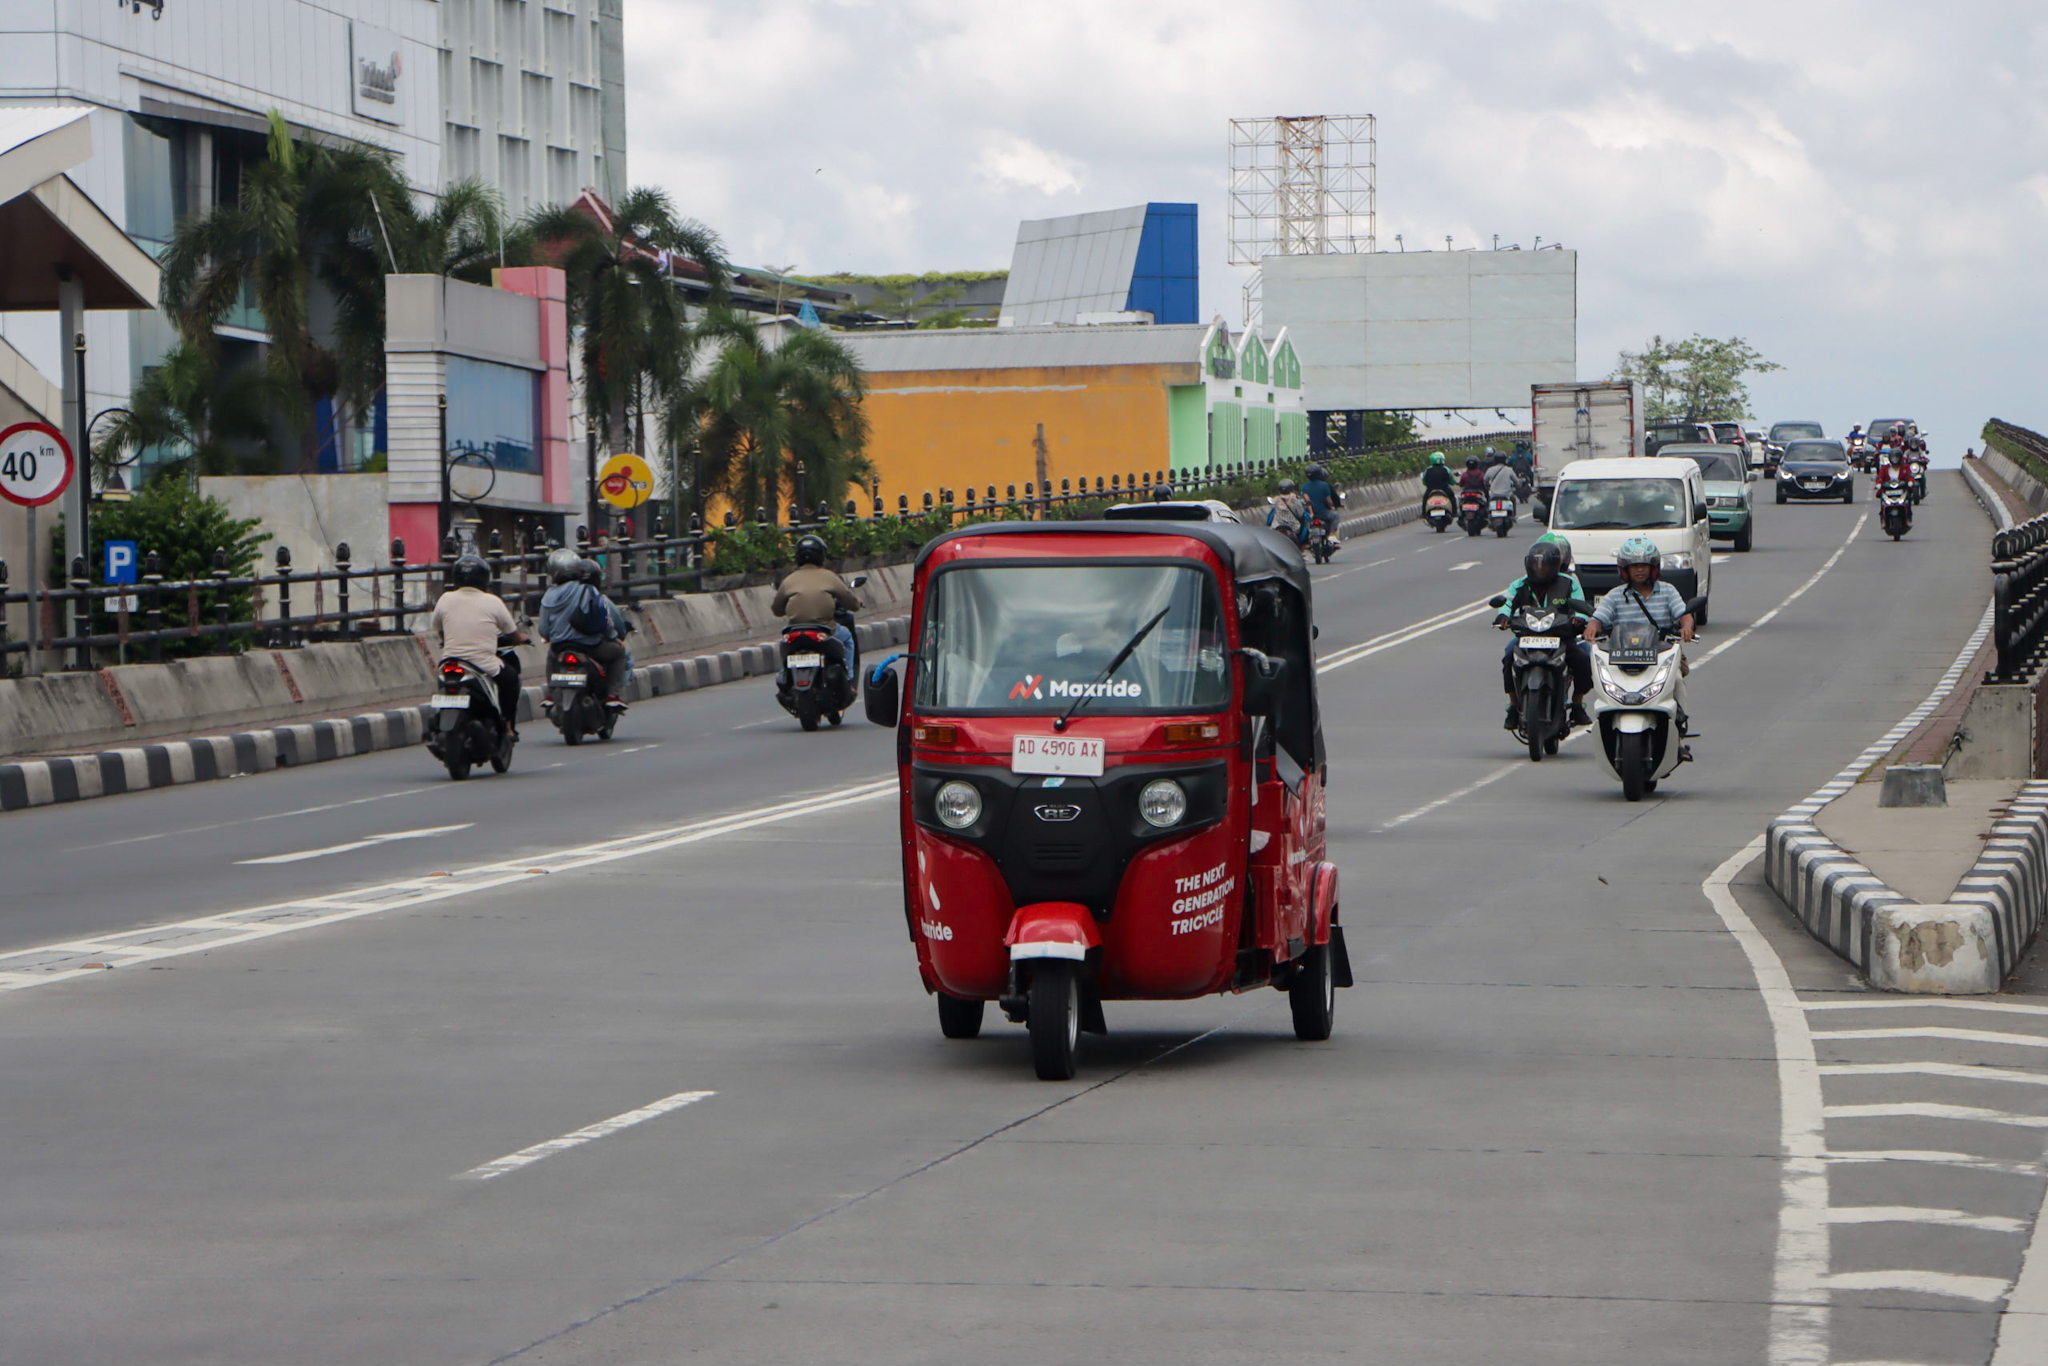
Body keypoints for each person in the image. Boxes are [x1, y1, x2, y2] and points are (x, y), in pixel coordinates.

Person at [1583, 536, 1696, 755]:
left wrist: (1686, 628)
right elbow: (1599, 617)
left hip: (1662, 655)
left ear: (1654, 568)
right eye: (1635, 566)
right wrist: (1592, 628)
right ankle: (1604, 724)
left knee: (1678, 683)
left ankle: (1678, 735)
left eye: (1644, 565)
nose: (1640, 570)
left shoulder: (1668, 591)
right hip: (1621, 657)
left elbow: (1684, 614)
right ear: (1625, 570)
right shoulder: (1615, 596)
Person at [1496, 540, 1593, 731]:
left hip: (1561, 638)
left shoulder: (1569, 582)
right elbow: (1507, 602)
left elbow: (1579, 603)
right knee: (1508, 656)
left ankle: (1577, 703)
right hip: (1527, 638)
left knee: (1584, 657)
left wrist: (1579, 619)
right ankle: (1513, 705)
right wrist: (1503, 616)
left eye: (1545, 566)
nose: (1539, 570)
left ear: (1555, 565)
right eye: (1535, 565)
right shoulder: (1519, 584)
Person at [431, 553, 528, 733]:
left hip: (450, 662)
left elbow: (438, 627)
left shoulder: (445, 599)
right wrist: (521, 638)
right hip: (483, 664)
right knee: (511, 679)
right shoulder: (492, 601)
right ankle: (507, 725)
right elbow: (512, 631)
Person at [536, 549, 631, 707]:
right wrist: (614, 638)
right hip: (590, 646)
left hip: (561, 647)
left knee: (551, 656)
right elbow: (604, 619)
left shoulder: (548, 595)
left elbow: (544, 630)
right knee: (619, 653)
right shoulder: (588, 589)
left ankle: (551, 695)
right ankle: (613, 695)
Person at [773, 534, 860, 673]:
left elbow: (777, 610)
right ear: (821, 555)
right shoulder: (829, 576)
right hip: (824, 630)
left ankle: (786, 676)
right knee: (848, 639)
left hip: (795, 631)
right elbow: (850, 602)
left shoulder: (789, 580)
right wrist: (856, 605)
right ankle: (849, 678)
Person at [1302, 464, 1341, 542]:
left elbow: (1306, 500)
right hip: (1324, 513)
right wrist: (1331, 507)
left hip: (1310, 514)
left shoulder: (1304, 486)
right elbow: (1329, 500)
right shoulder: (1325, 485)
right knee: (1336, 515)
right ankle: (1332, 534)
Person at [1266, 478, 1311, 544]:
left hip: (1276, 526)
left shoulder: (1276, 499)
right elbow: (1300, 514)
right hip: (1293, 527)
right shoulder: (1294, 500)